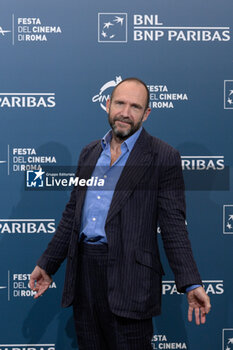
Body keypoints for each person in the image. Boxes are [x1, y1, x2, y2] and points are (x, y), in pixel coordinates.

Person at [29, 78, 211, 350]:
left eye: (135, 106)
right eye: (120, 103)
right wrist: (47, 265)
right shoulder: (89, 153)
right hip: (85, 277)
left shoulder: (163, 157)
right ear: (107, 105)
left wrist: (190, 282)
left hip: (132, 283)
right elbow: (72, 217)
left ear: (146, 114)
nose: (126, 112)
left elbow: (174, 226)